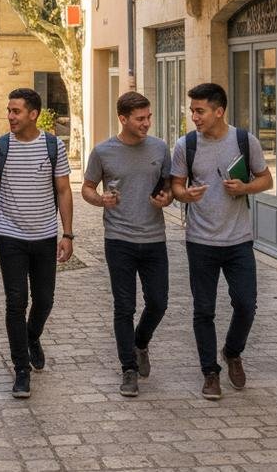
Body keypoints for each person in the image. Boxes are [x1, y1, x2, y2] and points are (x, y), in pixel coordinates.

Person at [170, 82, 273, 400]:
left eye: (200, 111)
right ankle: (210, 374)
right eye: (192, 111)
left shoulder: (245, 140)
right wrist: (184, 194)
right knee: (203, 310)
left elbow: (265, 178)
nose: (194, 117)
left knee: (246, 304)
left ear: (219, 111)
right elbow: (176, 185)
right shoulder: (186, 145)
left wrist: (245, 188)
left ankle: (232, 351)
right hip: (200, 240)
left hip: (239, 240)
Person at [0, 87, 73, 399]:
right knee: (15, 302)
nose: (10, 116)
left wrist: (68, 233)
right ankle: (21, 368)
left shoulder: (53, 146)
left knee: (45, 300)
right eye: (9, 110)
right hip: (10, 237)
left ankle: (32, 337)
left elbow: (63, 190)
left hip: (45, 235)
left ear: (33, 114)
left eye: (16, 111)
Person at [82, 92, 172, 398]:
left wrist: (166, 198)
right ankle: (128, 369)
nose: (147, 123)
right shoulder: (103, 152)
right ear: (123, 119)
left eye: (148, 117)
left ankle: (141, 342)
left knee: (159, 302)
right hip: (119, 239)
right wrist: (101, 200)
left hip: (154, 238)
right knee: (124, 306)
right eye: (140, 119)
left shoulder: (160, 148)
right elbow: (87, 189)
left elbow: (168, 188)